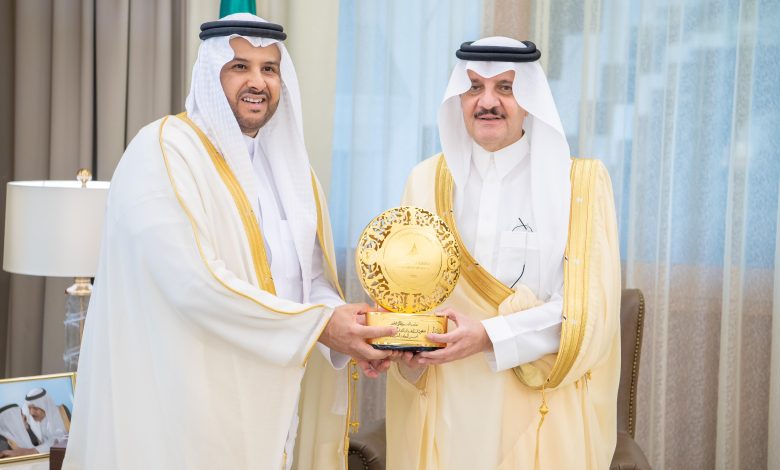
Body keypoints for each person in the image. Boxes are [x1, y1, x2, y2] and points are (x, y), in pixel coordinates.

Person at [63, 13, 394, 470]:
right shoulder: (163, 151)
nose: (257, 81)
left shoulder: (293, 170)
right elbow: (193, 285)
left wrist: (349, 330)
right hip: (186, 408)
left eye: (269, 68)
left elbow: (309, 278)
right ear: (209, 72)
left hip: (271, 401)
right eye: (239, 66)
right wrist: (320, 326)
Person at [385, 37, 621, 469]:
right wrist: (400, 339)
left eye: (506, 88)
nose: (487, 102)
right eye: (474, 87)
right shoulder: (424, 180)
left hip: (538, 407)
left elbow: (587, 312)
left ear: (529, 99)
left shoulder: (580, 186)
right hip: (447, 405)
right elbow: (407, 293)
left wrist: (489, 336)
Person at [24, 388, 68, 453]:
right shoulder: (30, 421)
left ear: (45, 406)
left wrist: (34, 451)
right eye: (29, 408)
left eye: (35, 408)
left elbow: (58, 439)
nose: (31, 413)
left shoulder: (60, 414)